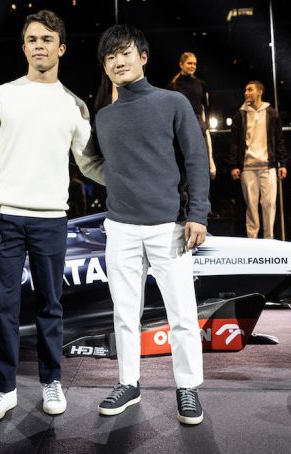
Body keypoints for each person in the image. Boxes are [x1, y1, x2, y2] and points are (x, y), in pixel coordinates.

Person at [0, 10, 104, 424]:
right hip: (5, 217)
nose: (39, 45)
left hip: (51, 220)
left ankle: (52, 381)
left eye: (47, 39)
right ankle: (4, 388)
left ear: (61, 48)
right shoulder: (3, 95)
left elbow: (90, 164)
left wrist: (133, 181)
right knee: (4, 307)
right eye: (32, 39)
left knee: (50, 305)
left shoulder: (73, 105)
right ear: (24, 47)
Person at [94, 24, 210, 425]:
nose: (118, 61)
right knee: (125, 314)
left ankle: (188, 387)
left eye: (125, 53)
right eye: (110, 57)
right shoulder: (103, 118)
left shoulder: (172, 102)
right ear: (105, 67)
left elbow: (195, 158)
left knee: (182, 314)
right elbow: (97, 165)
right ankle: (128, 382)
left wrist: (198, 214)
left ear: (143, 57)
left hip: (169, 228)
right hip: (120, 228)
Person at [228, 81, 287, 239]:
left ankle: (269, 238)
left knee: (269, 204)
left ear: (259, 92)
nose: (246, 93)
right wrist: (234, 165)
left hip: (268, 166)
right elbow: (234, 142)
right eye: (245, 90)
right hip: (248, 166)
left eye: (250, 89)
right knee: (251, 206)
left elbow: (279, 140)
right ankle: (252, 240)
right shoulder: (240, 114)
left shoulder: (271, 113)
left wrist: (282, 163)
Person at [167, 51, 216, 179]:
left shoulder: (201, 84)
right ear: (181, 64)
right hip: (180, 128)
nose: (193, 66)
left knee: (201, 164)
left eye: (195, 64)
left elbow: (206, 107)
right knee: (182, 165)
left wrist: (205, 125)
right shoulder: (173, 85)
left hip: (199, 126)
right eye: (189, 63)